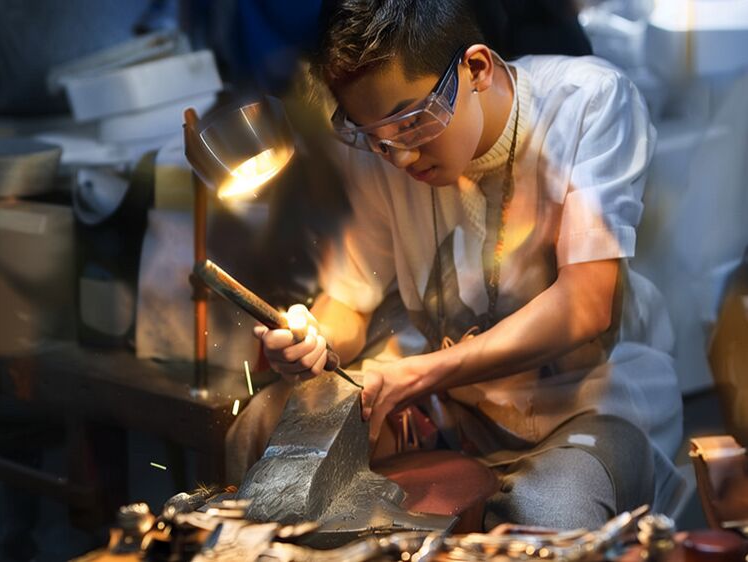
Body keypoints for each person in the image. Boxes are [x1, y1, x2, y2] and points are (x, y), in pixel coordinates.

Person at [229, 0, 684, 530]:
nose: (400, 158)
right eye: (374, 138)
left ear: (476, 69)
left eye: (412, 123)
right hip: (449, 406)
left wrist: (418, 374)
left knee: (544, 511)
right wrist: (313, 338)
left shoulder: (588, 103)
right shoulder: (376, 149)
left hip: (583, 405)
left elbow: (584, 304)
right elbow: (349, 304)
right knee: (265, 423)